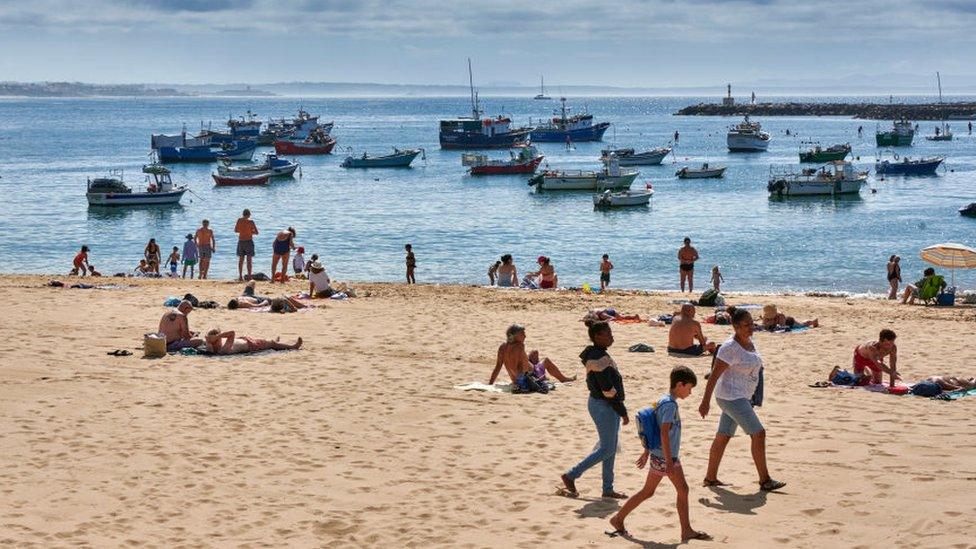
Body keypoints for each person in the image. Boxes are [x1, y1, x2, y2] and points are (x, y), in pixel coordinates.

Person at [607, 366, 710, 542]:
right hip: (666, 456)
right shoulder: (669, 404)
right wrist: (669, 462)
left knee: (648, 491)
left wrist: (647, 451)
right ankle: (686, 530)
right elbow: (662, 432)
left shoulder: (664, 399)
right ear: (679, 384)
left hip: (658, 454)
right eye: (689, 388)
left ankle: (618, 519)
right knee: (682, 489)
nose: (690, 393)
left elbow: (653, 428)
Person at [698, 308, 786, 492]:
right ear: (735, 327)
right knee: (758, 433)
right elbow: (714, 376)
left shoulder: (749, 341)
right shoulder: (730, 348)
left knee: (723, 436)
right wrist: (705, 401)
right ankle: (765, 480)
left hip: (740, 396)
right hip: (731, 397)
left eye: (752, 324)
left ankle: (710, 478)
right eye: (746, 325)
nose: (750, 328)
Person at [561, 322, 628, 499]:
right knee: (607, 448)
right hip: (604, 405)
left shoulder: (598, 354)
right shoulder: (598, 358)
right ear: (597, 336)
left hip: (604, 405)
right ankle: (571, 475)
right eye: (608, 333)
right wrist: (622, 410)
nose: (612, 336)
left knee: (610, 448)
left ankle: (608, 488)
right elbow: (607, 389)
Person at [488, 324, 576, 385]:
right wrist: (527, 382)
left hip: (519, 377)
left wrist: (490, 384)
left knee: (534, 352)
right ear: (513, 336)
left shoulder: (502, 347)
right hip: (532, 375)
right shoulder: (519, 347)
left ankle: (542, 373)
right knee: (546, 360)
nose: (525, 336)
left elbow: (497, 367)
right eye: (522, 334)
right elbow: (523, 368)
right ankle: (563, 379)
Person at [204, 329, 302, 355]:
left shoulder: (213, 346)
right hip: (251, 345)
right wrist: (216, 337)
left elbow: (231, 334)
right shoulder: (223, 350)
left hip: (244, 339)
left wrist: (211, 339)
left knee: (269, 343)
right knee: (271, 343)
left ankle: (274, 344)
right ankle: (293, 347)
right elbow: (232, 333)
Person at [235, 209, 259, 281]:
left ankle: (240, 276)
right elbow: (257, 232)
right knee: (249, 260)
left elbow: (236, 230)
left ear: (243, 214)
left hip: (241, 241)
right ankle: (249, 276)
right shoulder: (251, 222)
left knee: (241, 259)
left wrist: (242, 230)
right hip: (248, 241)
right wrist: (250, 231)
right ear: (249, 215)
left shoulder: (239, 220)